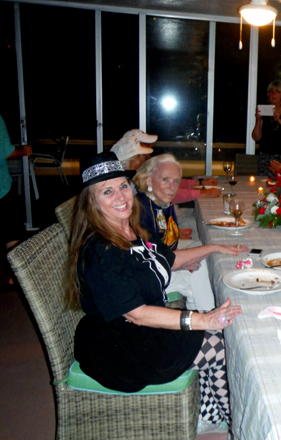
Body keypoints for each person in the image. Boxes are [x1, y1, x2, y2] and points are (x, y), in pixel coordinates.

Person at [67, 152, 245, 434]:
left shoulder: (131, 228)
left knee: (220, 336)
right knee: (218, 344)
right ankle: (237, 427)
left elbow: (170, 260)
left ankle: (210, 414)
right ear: (92, 202)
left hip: (142, 330)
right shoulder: (102, 252)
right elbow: (136, 314)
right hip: (120, 346)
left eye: (123, 186)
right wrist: (202, 320)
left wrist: (215, 249)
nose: (121, 196)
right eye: (107, 191)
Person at [133, 154, 223, 311]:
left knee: (200, 251)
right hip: (144, 275)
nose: (172, 187)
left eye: (175, 181)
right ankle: (205, 315)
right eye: (165, 179)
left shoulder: (161, 202)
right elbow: (145, 258)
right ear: (149, 180)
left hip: (164, 259)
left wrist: (182, 258)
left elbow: (164, 243)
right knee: (199, 267)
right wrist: (180, 264)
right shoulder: (141, 210)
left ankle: (201, 314)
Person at [111, 129, 220, 201]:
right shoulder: (127, 184)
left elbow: (170, 182)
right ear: (131, 160)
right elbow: (166, 193)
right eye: (143, 153)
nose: (148, 155)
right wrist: (203, 192)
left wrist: (200, 183)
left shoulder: (134, 175)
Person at [0, 114, 32, 286]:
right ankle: (16, 276)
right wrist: (23, 151)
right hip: (1, 189)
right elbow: (6, 151)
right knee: (12, 231)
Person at [252, 80, 281, 175]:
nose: (273, 94)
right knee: (264, 184)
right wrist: (259, 120)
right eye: (271, 92)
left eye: (277, 91)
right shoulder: (265, 110)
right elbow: (256, 137)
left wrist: (279, 119)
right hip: (266, 155)